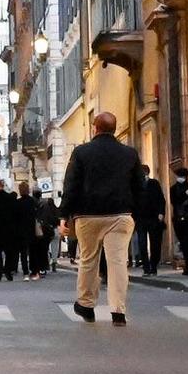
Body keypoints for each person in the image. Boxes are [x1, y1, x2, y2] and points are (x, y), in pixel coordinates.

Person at [59, 112, 143, 325]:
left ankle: (86, 305)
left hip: (88, 215)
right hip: (120, 214)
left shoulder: (81, 153)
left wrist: (63, 215)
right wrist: (135, 212)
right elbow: (139, 188)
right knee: (117, 263)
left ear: (94, 128)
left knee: (88, 260)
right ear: (114, 129)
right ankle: (118, 311)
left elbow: (71, 186)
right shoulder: (129, 154)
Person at [135, 163, 167, 277]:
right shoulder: (135, 186)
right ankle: (146, 267)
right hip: (140, 219)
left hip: (153, 218)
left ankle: (153, 266)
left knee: (155, 243)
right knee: (142, 244)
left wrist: (161, 213)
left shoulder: (154, 184)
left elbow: (161, 200)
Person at [169, 162, 188, 278]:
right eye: (179, 176)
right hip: (178, 217)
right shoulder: (173, 189)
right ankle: (187, 263)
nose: (180, 178)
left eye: (182, 176)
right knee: (182, 240)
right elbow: (174, 201)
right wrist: (184, 195)